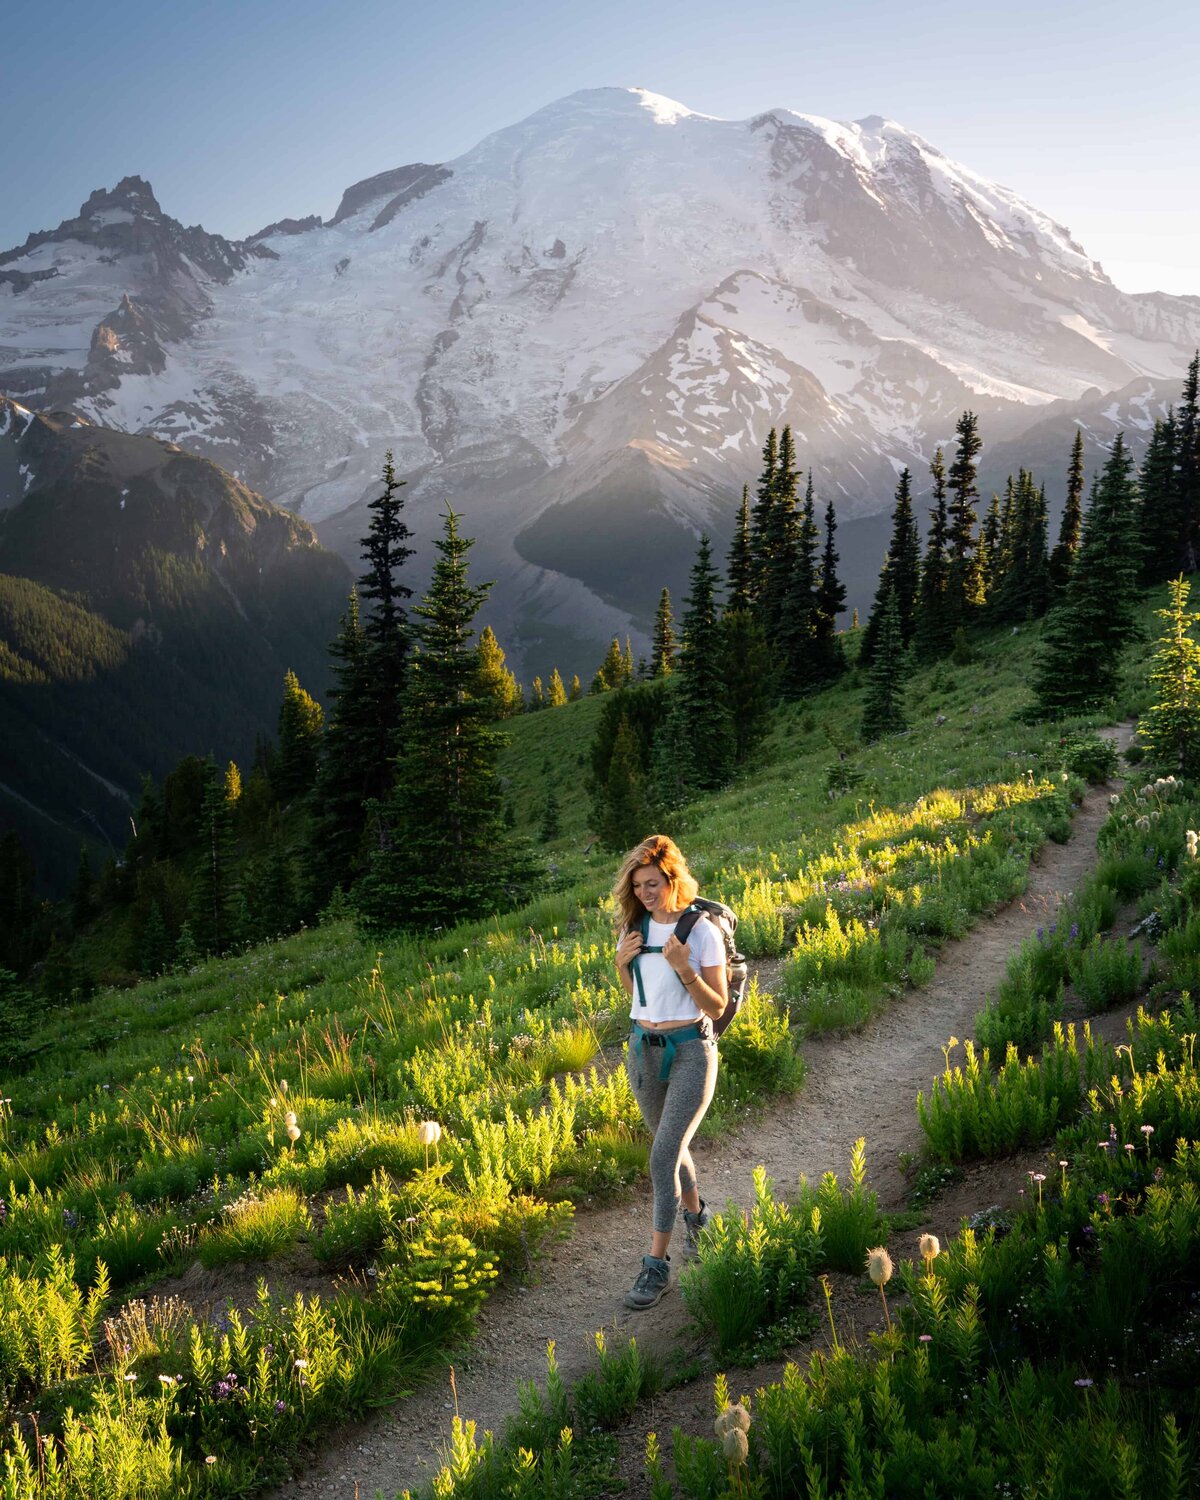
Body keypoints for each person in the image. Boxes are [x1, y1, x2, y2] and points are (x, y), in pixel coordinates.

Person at [614, 833, 728, 1309]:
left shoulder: (700, 930)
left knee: (662, 1157)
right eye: (639, 884)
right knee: (672, 1148)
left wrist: (685, 969)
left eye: (654, 883)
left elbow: (717, 1005)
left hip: (689, 1052)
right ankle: (698, 1219)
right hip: (643, 1051)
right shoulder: (633, 927)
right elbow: (637, 996)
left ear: (672, 880)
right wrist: (622, 963)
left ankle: (655, 1267)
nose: (646, 892)